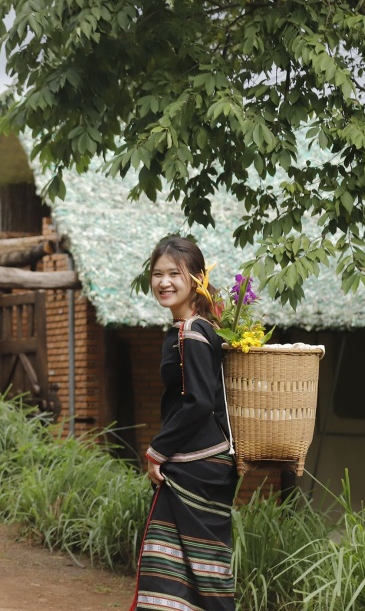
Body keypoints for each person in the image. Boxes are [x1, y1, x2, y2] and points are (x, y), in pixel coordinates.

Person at [130, 235, 237, 611]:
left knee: (188, 573)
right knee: (198, 570)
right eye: (157, 274)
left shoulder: (191, 332)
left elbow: (199, 402)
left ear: (196, 278)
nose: (164, 282)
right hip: (208, 462)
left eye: (174, 273)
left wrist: (156, 451)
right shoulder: (202, 327)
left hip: (195, 464)